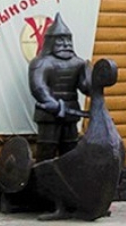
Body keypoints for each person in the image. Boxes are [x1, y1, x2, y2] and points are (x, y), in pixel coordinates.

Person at [28, 13, 91, 161]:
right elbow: (38, 87)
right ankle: (43, 175)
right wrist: (52, 103)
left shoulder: (78, 63)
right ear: (51, 41)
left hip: (70, 112)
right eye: (61, 39)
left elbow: (85, 88)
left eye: (68, 39)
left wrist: (90, 78)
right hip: (49, 113)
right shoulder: (41, 63)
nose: (66, 44)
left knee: (70, 150)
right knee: (47, 150)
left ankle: (68, 175)